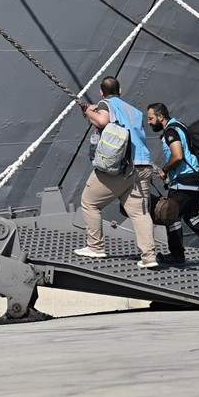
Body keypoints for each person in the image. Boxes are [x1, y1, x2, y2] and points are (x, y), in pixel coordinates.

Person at [74, 76, 159, 268]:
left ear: (101, 93)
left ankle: (95, 247)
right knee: (140, 214)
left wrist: (88, 110)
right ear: (120, 91)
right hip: (143, 166)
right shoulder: (136, 112)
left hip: (121, 167)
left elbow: (103, 120)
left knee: (89, 202)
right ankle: (149, 257)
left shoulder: (105, 104)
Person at [146, 103, 199, 269]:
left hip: (183, 183)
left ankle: (178, 255)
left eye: (150, 118)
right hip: (195, 181)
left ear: (160, 117)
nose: (149, 122)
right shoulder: (180, 126)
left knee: (168, 215)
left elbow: (177, 155)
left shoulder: (171, 132)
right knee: (192, 216)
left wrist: (165, 170)